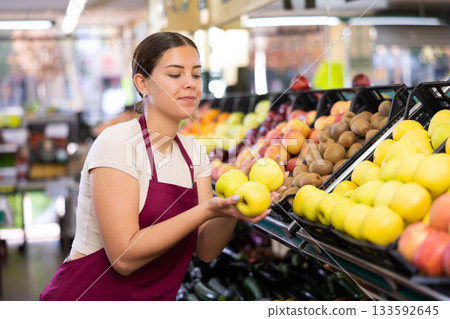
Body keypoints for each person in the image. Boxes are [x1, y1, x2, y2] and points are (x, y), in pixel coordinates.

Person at [39, 32, 270, 301]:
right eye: (175, 74)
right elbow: (123, 258)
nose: (190, 84)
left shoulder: (194, 152)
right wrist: (205, 210)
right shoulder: (118, 143)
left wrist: (231, 209)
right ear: (142, 83)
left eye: (196, 75)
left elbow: (206, 249)